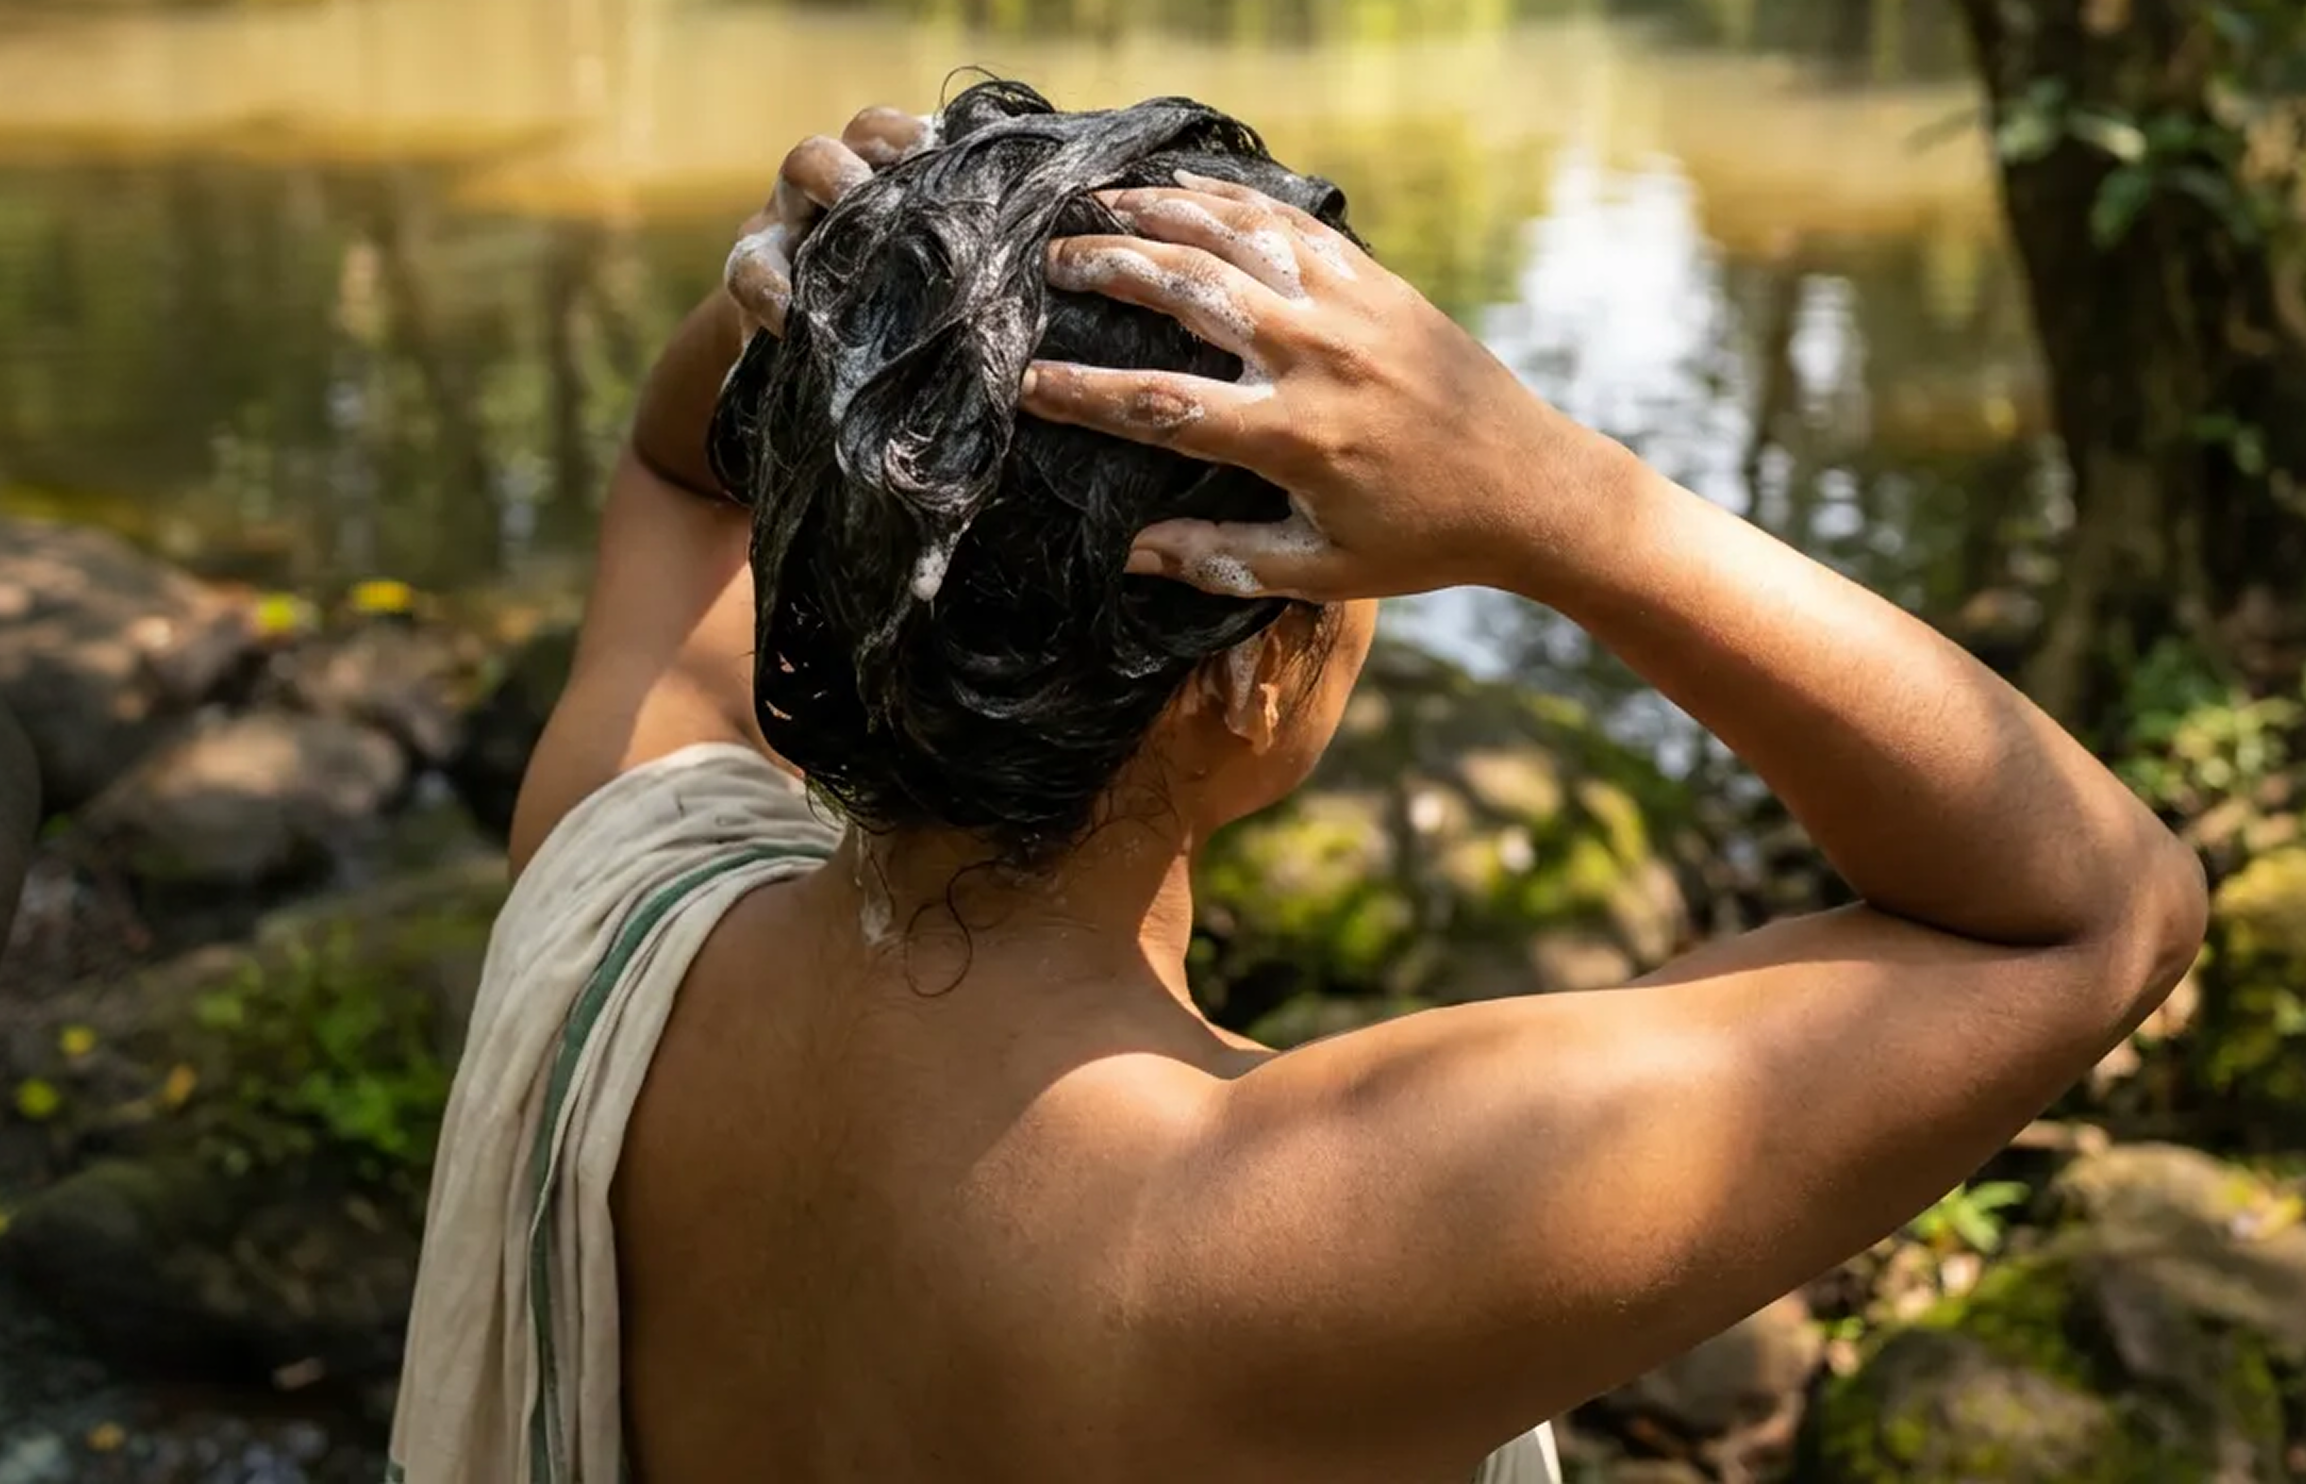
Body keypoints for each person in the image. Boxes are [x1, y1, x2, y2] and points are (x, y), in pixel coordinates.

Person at [387, 82, 2206, 1484]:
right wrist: (1558, 493)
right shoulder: (1278, 1235)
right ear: (1249, 675)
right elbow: (2099, 909)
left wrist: (832, 309)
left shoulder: (622, 905)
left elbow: (677, 476)